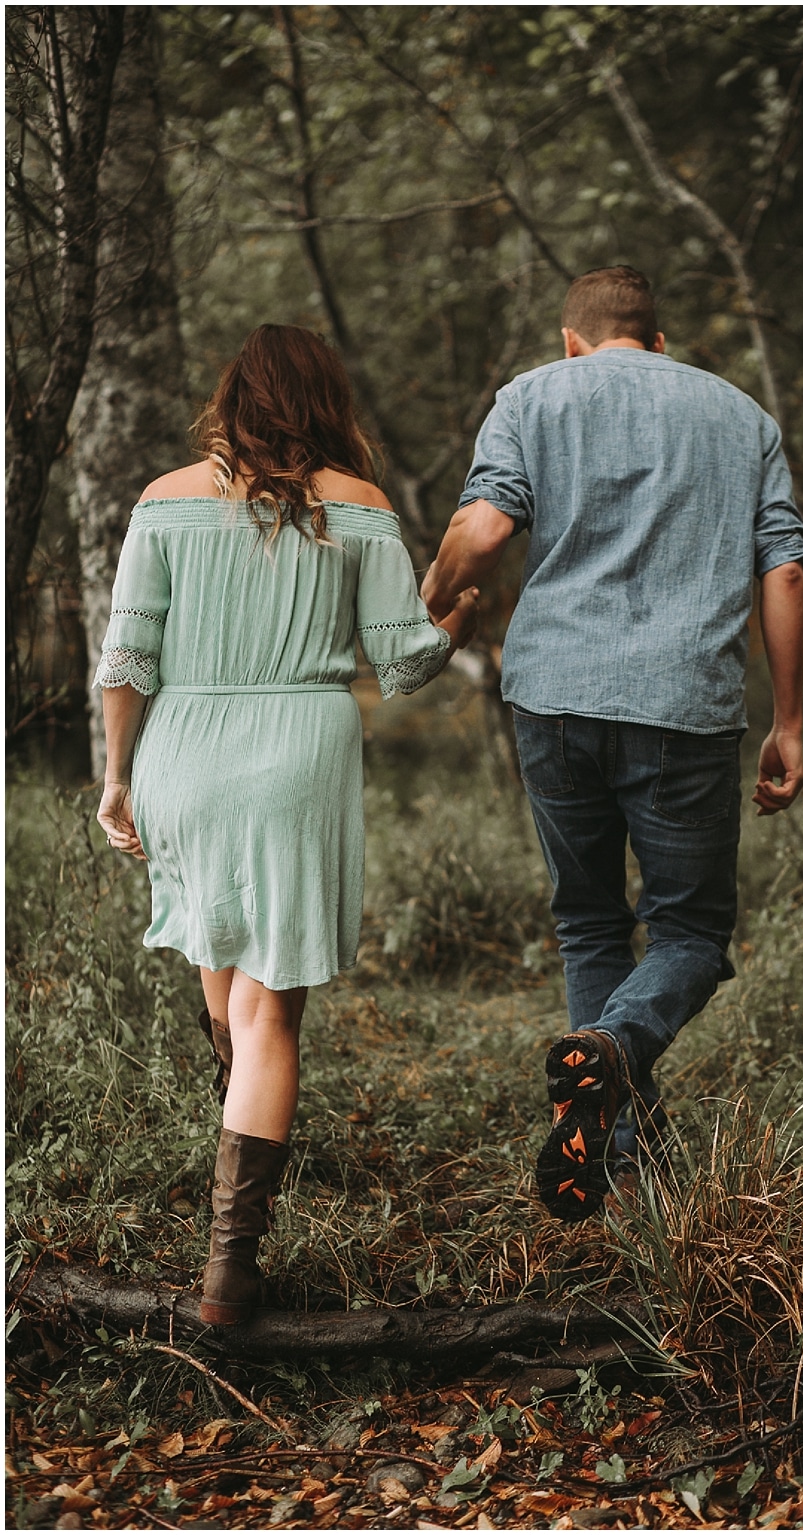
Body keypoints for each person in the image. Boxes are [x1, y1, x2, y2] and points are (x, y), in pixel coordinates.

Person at [94, 324, 480, 1325]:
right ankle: (230, 1272)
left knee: (221, 972)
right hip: (294, 754)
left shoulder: (162, 501)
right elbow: (398, 667)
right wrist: (454, 625)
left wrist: (115, 776)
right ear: (326, 400)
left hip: (182, 748)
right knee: (270, 1018)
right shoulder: (358, 509)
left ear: (229, 402)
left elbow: (128, 656)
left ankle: (229, 1207)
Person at [420, 265, 803, 1221]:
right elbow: (788, 572)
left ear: (573, 341)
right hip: (685, 703)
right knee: (689, 930)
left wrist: (431, 602)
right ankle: (621, 1052)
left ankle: (606, 1155)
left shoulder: (533, 395)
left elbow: (481, 530)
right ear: (659, 340)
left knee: (590, 921)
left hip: (554, 697)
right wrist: (790, 719)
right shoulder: (741, 417)